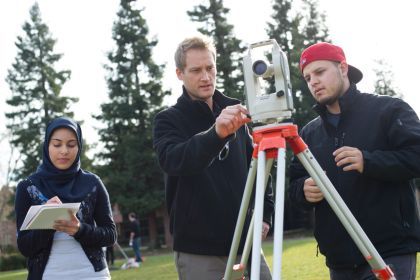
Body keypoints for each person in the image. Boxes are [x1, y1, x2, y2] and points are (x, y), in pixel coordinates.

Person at [289, 42, 420, 280]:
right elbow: (295, 185)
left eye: (320, 72)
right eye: (308, 78)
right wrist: (304, 190)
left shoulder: (389, 110)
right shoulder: (307, 134)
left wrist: (368, 160)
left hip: (389, 253)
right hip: (339, 261)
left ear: (343, 67)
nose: (313, 82)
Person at [153, 34, 274, 280]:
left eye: (210, 68)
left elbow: (259, 166)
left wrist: (265, 215)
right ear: (179, 73)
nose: (206, 77)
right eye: (196, 70)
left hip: (247, 246)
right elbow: (174, 160)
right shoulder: (168, 120)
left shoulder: (236, 112)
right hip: (200, 251)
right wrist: (216, 134)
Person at [15, 117, 117, 280]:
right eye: (57, 144)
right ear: (47, 145)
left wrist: (79, 229)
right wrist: (48, 219)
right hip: (47, 275)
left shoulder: (93, 183)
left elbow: (110, 235)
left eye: (71, 145)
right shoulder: (27, 187)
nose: (64, 151)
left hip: (92, 275)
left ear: (79, 147)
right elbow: (25, 247)